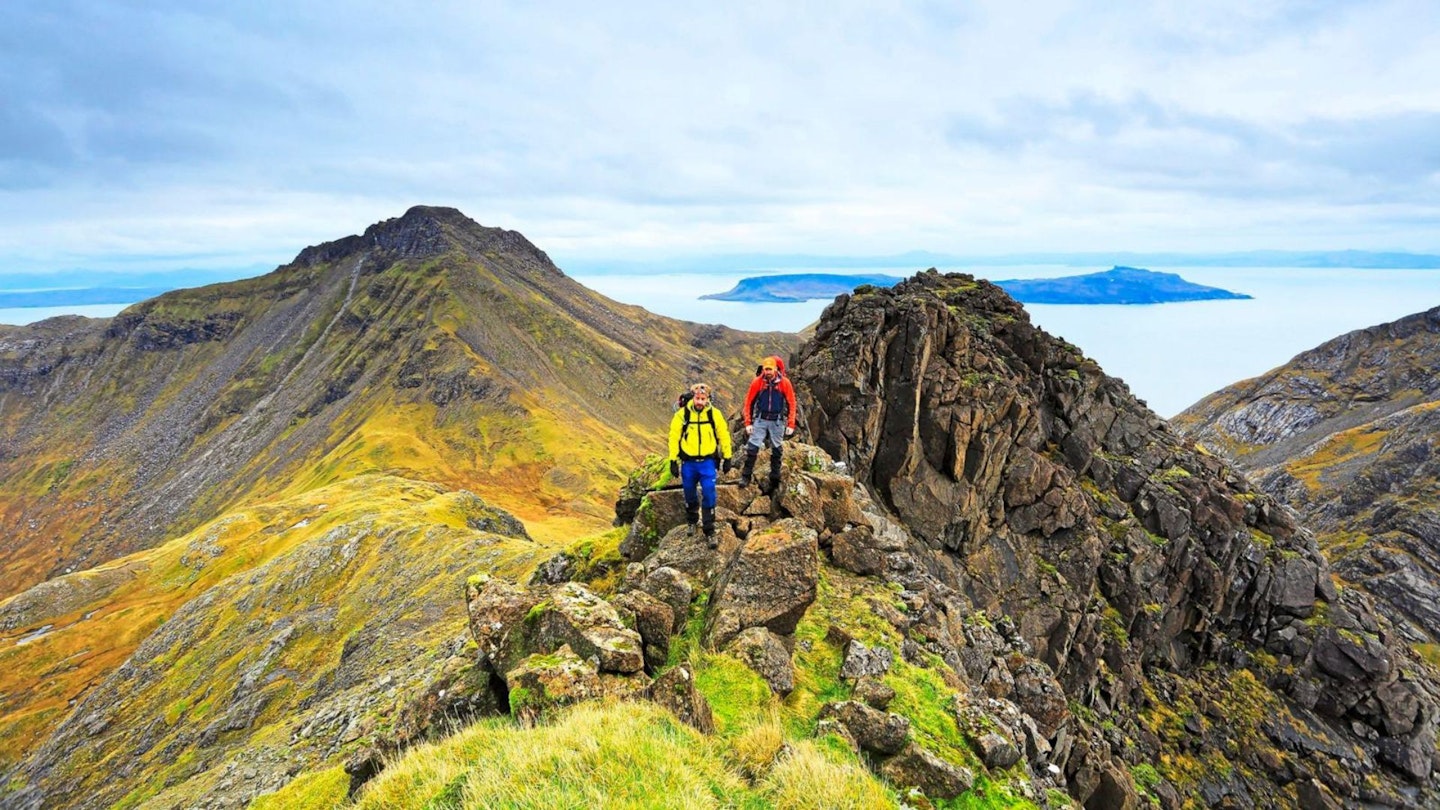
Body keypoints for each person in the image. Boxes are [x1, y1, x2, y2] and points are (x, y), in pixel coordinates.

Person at [667, 383, 733, 546]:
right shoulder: (682, 415)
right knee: (689, 493)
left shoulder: (714, 415)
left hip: (707, 463)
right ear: (693, 397)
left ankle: (709, 530)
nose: (700, 402)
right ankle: (692, 520)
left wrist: (727, 456)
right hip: (688, 463)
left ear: (708, 399)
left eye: (703, 399)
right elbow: (674, 437)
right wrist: (673, 460)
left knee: (709, 494)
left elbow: (723, 435)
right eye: (697, 398)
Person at [739, 355, 797, 492]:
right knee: (752, 447)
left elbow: (791, 403)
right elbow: (749, 403)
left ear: (776, 369)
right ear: (763, 369)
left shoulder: (784, 383)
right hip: (761, 419)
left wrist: (791, 423)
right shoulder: (757, 382)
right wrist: (748, 422)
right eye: (766, 369)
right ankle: (745, 476)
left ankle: (775, 478)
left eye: (770, 369)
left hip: (777, 420)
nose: (768, 372)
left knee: (777, 450)